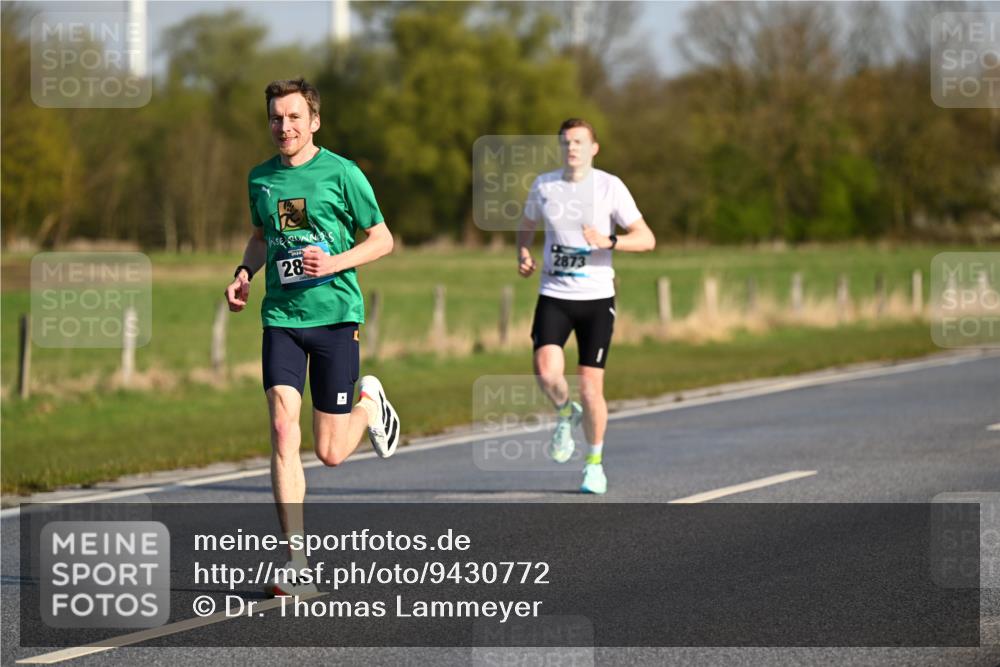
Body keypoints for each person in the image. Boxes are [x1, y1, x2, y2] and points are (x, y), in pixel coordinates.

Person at [225, 78, 400, 594]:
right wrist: (244, 272)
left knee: (329, 453)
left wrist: (336, 261)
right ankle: (297, 566)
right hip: (281, 318)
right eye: (277, 118)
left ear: (314, 121)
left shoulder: (343, 173)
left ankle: (369, 403)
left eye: (294, 117)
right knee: (282, 430)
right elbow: (261, 237)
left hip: (335, 319)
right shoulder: (261, 179)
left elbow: (383, 239)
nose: (285, 127)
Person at [517, 118, 656, 495]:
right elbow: (527, 225)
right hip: (554, 294)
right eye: (565, 142)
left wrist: (609, 241)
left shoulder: (610, 187)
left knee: (591, 388)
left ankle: (593, 464)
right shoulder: (545, 185)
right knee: (546, 373)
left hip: (596, 299)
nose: (571, 148)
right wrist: (524, 252)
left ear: (594, 148)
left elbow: (646, 239)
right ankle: (565, 412)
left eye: (579, 142)